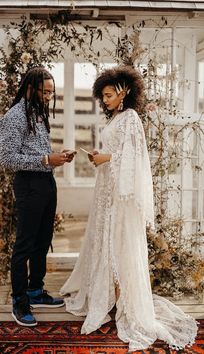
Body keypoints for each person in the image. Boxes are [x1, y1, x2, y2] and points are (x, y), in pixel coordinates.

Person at [60, 65, 198, 351]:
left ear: (124, 92)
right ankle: (110, 297)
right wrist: (101, 157)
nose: (105, 100)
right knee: (106, 244)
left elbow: (134, 157)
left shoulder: (131, 117)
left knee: (120, 246)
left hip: (121, 195)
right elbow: (117, 154)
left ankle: (124, 304)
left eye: (109, 95)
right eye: (104, 96)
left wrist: (105, 158)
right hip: (107, 191)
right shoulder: (116, 118)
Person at [0, 67, 76, 327]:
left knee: (43, 241)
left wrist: (56, 156)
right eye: (45, 92)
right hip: (29, 186)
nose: (48, 97)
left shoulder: (39, 113)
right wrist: (46, 159)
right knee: (25, 245)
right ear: (30, 89)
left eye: (51, 93)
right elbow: (8, 159)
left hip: (46, 182)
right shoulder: (15, 116)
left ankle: (35, 291)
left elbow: (36, 151)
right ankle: (20, 301)